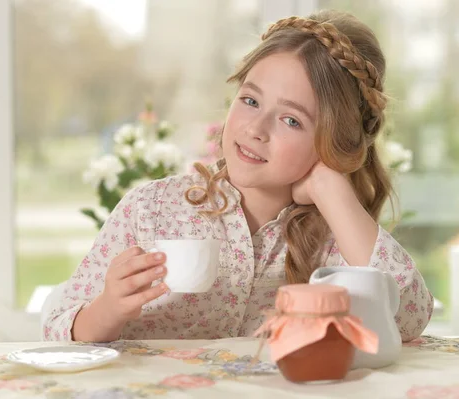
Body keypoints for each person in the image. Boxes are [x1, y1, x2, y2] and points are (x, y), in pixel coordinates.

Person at [43, 9, 433, 343]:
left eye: (291, 120)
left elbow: (409, 319)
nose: (256, 129)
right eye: (250, 100)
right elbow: (58, 326)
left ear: (332, 143)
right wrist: (108, 309)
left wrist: (332, 190)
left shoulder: (335, 238)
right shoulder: (151, 209)